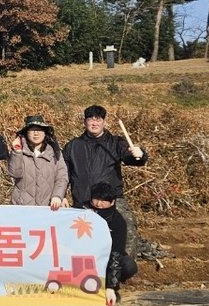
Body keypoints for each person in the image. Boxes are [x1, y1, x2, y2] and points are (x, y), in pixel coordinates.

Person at [63, 105, 148, 255]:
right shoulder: (73, 146)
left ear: (103, 122)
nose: (94, 123)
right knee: (80, 240)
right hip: (83, 201)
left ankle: (122, 264)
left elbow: (131, 158)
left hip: (111, 201)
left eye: (98, 119)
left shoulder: (116, 142)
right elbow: (64, 174)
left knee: (126, 231)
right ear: (85, 122)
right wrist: (62, 195)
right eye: (91, 119)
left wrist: (140, 154)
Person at [89, 183, 138, 306]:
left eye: (103, 200)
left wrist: (111, 286)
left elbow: (116, 254)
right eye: (96, 199)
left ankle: (109, 286)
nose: (98, 204)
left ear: (112, 202)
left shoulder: (118, 222)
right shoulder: (82, 211)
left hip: (107, 258)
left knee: (128, 265)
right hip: (85, 256)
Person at [7, 115, 67, 209]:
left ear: (45, 133)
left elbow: (62, 177)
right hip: (21, 208)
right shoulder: (19, 152)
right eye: (32, 130)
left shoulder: (55, 153)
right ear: (26, 133)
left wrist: (57, 196)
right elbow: (15, 173)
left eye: (39, 130)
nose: (36, 133)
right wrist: (17, 152)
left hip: (48, 207)